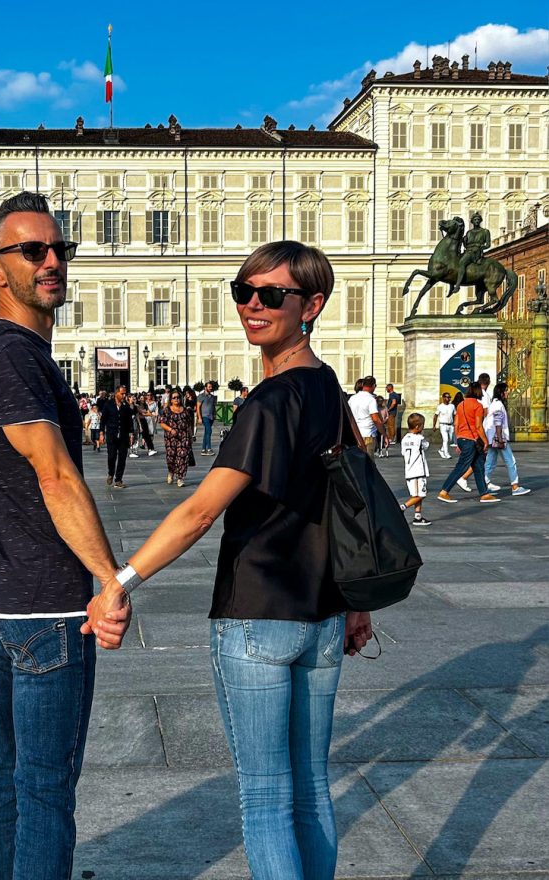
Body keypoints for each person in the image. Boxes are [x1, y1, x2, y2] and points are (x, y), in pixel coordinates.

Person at [85, 240, 373, 880]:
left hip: (256, 615)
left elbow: (198, 512)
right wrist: (355, 605)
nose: (252, 306)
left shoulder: (270, 402)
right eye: (242, 292)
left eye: (271, 296)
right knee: (311, 789)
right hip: (321, 617)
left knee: (267, 799)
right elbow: (349, 503)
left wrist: (118, 581)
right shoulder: (327, 387)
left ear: (312, 304)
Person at [0, 191, 127, 880]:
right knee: (45, 788)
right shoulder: (18, 357)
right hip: (42, 608)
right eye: (33, 251)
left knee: (7, 772)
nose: (52, 261)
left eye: (60, 249)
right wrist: (112, 581)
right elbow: (55, 475)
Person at [437, 381, 499, 505]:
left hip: (462, 438)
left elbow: (456, 424)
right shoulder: (478, 406)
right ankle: (444, 491)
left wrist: (458, 440)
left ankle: (484, 494)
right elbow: (478, 426)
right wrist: (486, 441)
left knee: (478, 465)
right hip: (473, 439)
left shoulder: (460, 405)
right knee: (462, 466)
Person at [483, 382, 530, 497]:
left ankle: (484, 484)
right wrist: (500, 439)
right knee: (510, 461)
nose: (508, 392)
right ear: (501, 392)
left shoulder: (493, 404)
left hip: (491, 438)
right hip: (498, 437)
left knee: (490, 462)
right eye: (506, 390)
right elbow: (498, 423)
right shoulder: (498, 405)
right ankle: (515, 486)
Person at [399, 413, 431, 526]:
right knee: (421, 495)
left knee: (416, 495)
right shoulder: (419, 438)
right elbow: (427, 446)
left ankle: (418, 516)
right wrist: (422, 436)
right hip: (418, 470)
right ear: (417, 427)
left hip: (409, 470)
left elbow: (403, 452)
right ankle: (402, 507)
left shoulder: (404, 439)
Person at [100, 384, 133, 488]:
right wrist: (101, 433)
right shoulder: (108, 404)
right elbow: (103, 420)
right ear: (116, 393)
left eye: (125, 393)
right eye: (122, 393)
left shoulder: (126, 406)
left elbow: (129, 421)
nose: (124, 396)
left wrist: (131, 433)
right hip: (111, 435)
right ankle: (111, 472)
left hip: (123, 436)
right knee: (111, 456)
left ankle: (118, 479)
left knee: (122, 458)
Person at [158, 389, 193, 486]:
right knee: (171, 457)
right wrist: (170, 429)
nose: (176, 399)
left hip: (184, 437)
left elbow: (188, 425)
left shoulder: (185, 410)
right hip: (171, 438)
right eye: (174, 398)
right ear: (171, 400)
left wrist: (190, 437)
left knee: (182, 457)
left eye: (178, 397)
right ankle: (171, 472)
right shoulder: (167, 410)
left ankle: (180, 478)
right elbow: (162, 423)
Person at [451, 212, 491, 294]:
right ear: (472, 221)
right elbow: (466, 245)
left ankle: (458, 285)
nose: (477, 221)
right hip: (468, 251)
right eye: (475, 219)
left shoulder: (485, 232)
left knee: (462, 262)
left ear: (480, 221)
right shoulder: (469, 233)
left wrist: (480, 247)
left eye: (478, 220)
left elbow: (488, 245)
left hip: (476, 252)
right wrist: (464, 241)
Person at [347, 376, 386, 460]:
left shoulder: (352, 399)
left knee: (356, 463)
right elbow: (375, 419)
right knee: (368, 463)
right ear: (373, 386)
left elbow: (348, 416)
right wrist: (384, 435)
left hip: (355, 434)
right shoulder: (371, 399)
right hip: (368, 434)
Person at [197, 381, 217, 455]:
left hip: (211, 417)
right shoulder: (201, 396)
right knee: (209, 431)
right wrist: (199, 417)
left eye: (211, 387)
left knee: (207, 433)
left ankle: (203, 449)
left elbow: (213, 406)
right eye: (209, 387)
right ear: (205, 388)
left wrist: (215, 415)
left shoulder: (212, 397)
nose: (211, 388)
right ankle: (209, 449)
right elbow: (198, 407)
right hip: (204, 416)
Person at [433, 393, 455, 458]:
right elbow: (435, 416)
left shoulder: (452, 406)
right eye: (446, 397)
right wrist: (434, 425)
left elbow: (455, 415)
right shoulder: (440, 406)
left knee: (450, 439)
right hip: (443, 425)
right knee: (445, 439)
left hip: (451, 425)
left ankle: (442, 450)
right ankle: (446, 454)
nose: (447, 399)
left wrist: (456, 423)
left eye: (449, 397)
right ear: (443, 398)